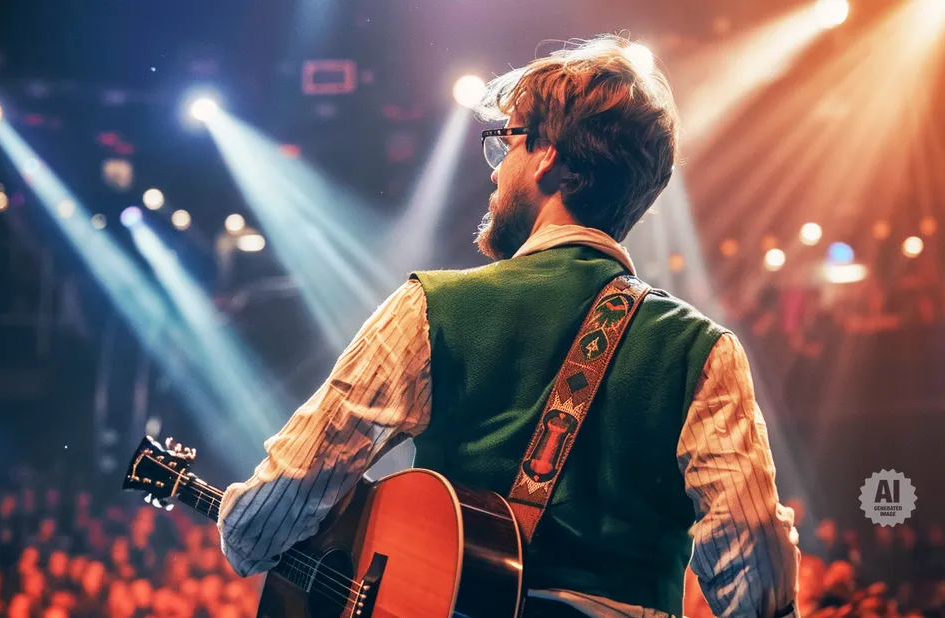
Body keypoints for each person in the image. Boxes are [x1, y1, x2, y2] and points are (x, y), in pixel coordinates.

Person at [217, 34, 800, 618]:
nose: (495, 175)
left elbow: (266, 516)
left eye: (507, 143)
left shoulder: (429, 308)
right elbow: (755, 575)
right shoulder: (702, 350)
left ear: (548, 156)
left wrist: (241, 526)